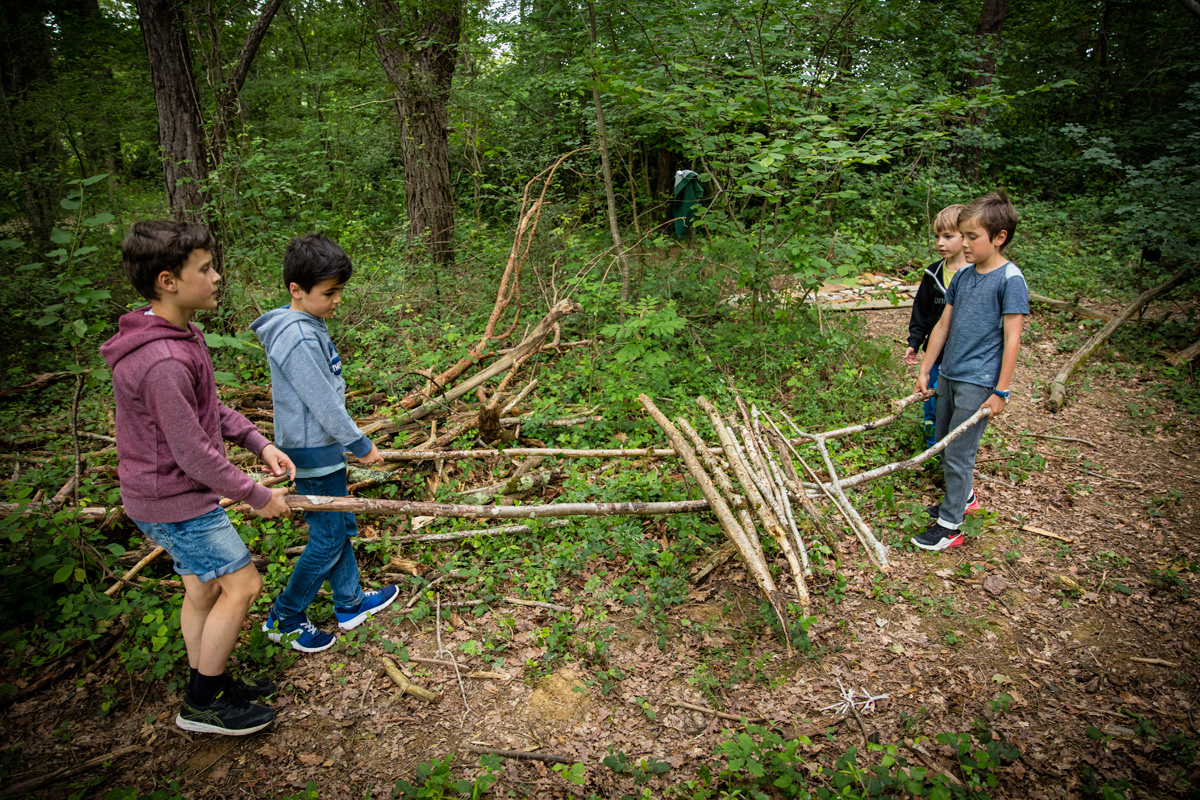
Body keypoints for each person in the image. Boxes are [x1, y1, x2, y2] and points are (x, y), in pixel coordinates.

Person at [102, 220, 295, 735]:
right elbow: (192, 453)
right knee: (244, 585)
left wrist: (260, 441)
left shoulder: (176, 333)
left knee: (202, 589)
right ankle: (203, 705)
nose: (216, 277)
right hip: (175, 500)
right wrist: (257, 496)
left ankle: (206, 682)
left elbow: (208, 409)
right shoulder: (162, 358)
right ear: (168, 280)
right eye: (205, 269)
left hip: (165, 494)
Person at [251, 234, 398, 653]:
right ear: (296, 290)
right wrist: (359, 442)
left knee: (339, 525)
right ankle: (285, 615)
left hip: (320, 448)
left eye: (339, 292)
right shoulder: (297, 336)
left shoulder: (307, 324)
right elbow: (322, 401)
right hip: (311, 450)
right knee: (328, 536)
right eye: (329, 293)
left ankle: (350, 603)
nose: (336, 301)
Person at [911, 192, 1029, 551]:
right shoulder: (962, 277)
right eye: (962, 235)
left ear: (999, 237)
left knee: (960, 451)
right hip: (948, 373)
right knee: (944, 444)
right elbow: (943, 326)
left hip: (979, 382)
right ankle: (962, 499)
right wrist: (927, 368)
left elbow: (1012, 340)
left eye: (972, 236)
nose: (964, 243)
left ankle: (951, 527)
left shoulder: (1010, 279)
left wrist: (1002, 391)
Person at [904, 204, 979, 516]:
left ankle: (957, 478)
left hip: (964, 361)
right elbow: (921, 313)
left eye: (947, 236)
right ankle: (932, 452)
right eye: (937, 236)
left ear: (965, 237)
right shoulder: (933, 273)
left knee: (958, 418)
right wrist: (914, 343)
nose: (940, 242)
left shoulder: (977, 275)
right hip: (936, 357)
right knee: (932, 403)